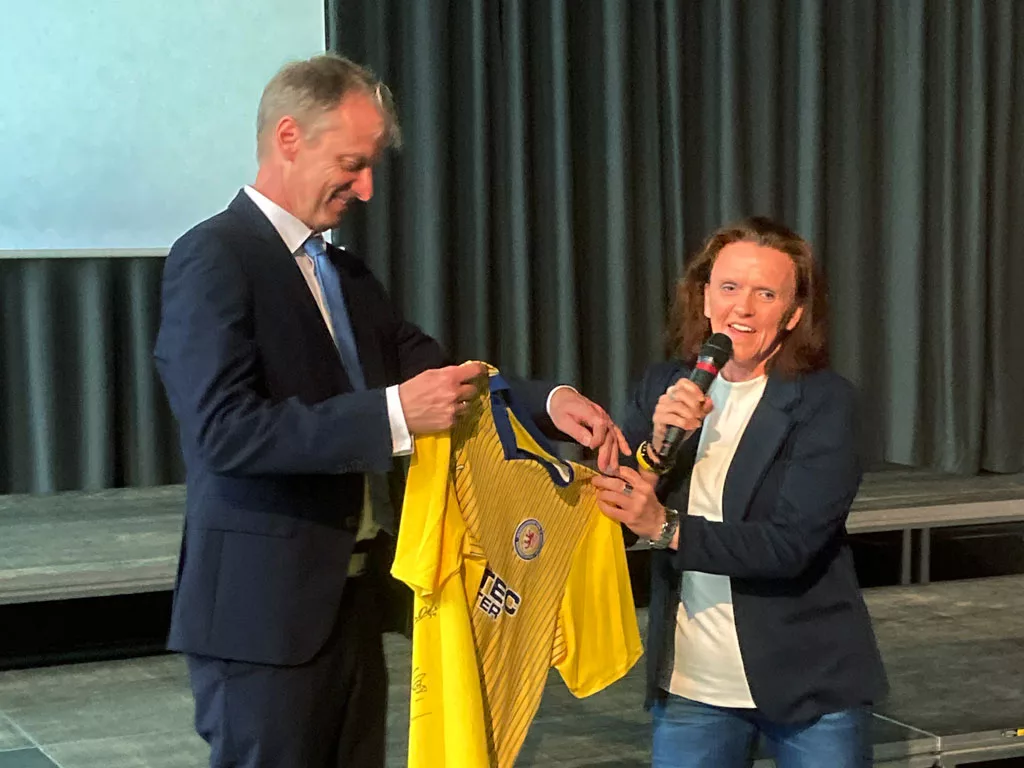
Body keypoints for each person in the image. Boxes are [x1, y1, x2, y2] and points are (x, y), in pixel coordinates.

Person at [153, 53, 626, 768]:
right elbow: (224, 431)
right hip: (260, 617)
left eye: (371, 167)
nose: (367, 188)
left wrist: (547, 402)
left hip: (350, 604)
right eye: (353, 164)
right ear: (289, 137)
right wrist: (392, 415)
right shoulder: (213, 256)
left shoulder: (345, 274)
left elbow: (435, 370)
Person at [593, 217, 887, 767]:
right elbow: (613, 509)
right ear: (705, 298)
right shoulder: (664, 387)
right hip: (692, 687)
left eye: (766, 294)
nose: (743, 309)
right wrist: (656, 448)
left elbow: (789, 545)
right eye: (729, 287)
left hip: (808, 688)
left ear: (793, 314)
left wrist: (666, 528)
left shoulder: (826, 403)